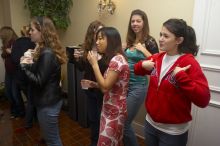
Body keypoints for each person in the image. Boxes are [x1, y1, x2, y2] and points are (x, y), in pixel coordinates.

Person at [134, 18, 210, 146]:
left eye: (166, 36)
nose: (160, 39)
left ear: (179, 40)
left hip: (172, 133)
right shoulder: (158, 57)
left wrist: (181, 77)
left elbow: (204, 99)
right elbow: (137, 70)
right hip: (150, 124)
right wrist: (142, 65)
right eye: (160, 34)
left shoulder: (189, 63)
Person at [20, 16, 67, 146]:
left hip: (48, 105)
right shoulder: (44, 50)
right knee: (50, 138)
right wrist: (30, 63)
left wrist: (24, 67)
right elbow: (41, 73)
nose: (29, 32)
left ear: (42, 32)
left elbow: (39, 80)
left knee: (52, 140)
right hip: (48, 101)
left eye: (32, 29)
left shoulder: (47, 53)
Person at [87, 27, 130, 146]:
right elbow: (107, 87)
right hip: (110, 107)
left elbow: (105, 88)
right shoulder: (115, 58)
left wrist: (94, 64)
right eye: (97, 39)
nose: (97, 42)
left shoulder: (117, 60)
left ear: (111, 40)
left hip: (114, 111)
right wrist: (95, 84)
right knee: (114, 142)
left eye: (101, 38)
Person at [123, 9, 159, 146]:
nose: (135, 24)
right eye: (132, 21)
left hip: (138, 87)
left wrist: (143, 49)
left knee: (124, 122)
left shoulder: (149, 41)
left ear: (144, 23)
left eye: (138, 21)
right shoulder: (130, 40)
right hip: (125, 85)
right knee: (124, 122)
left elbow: (158, 64)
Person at [70, 20, 108, 146]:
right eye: (95, 32)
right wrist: (76, 59)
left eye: (101, 32)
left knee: (102, 120)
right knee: (93, 120)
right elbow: (81, 68)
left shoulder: (107, 50)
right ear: (91, 34)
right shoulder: (85, 49)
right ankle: (94, 142)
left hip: (103, 91)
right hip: (90, 91)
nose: (98, 35)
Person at [11, 25, 36, 128]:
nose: (31, 33)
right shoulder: (32, 42)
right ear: (28, 32)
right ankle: (29, 122)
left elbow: (14, 59)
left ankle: (32, 118)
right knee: (31, 99)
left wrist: (21, 59)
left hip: (20, 77)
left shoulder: (16, 43)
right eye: (31, 30)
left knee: (30, 98)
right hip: (30, 76)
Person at [0, 26, 25, 118]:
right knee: (8, 92)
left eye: (1, 34)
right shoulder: (6, 43)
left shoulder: (16, 42)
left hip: (15, 72)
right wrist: (6, 52)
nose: (0, 36)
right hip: (9, 72)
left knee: (15, 93)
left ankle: (21, 112)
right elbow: (3, 54)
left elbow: (20, 57)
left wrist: (11, 52)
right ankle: (14, 111)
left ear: (6, 34)